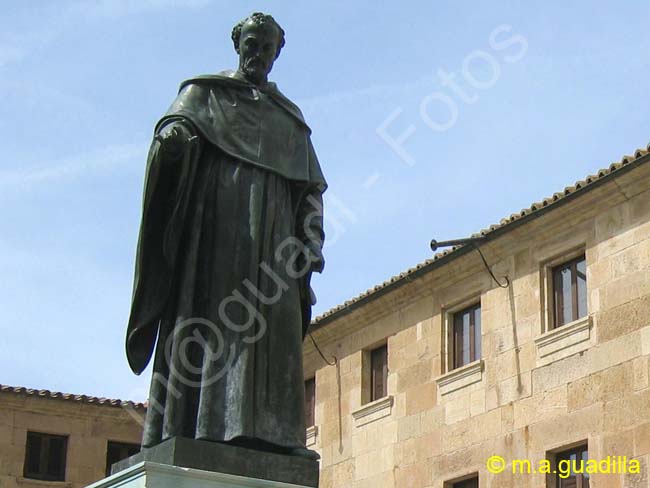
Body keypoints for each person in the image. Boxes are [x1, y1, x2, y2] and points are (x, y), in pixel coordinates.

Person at [124, 12, 326, 460]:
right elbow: (171, 137)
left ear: (278, 53)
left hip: (273, 247)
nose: (258, 53)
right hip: (212, 236)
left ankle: (276, 437)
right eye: (251, 43)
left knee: (270, 332)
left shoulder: (289, 121)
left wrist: (311, 240)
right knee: (210, 323)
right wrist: (173, 142)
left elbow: (311, 190)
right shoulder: (203, 96)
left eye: (266, 47)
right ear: (237, 44)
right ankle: (192, 427)